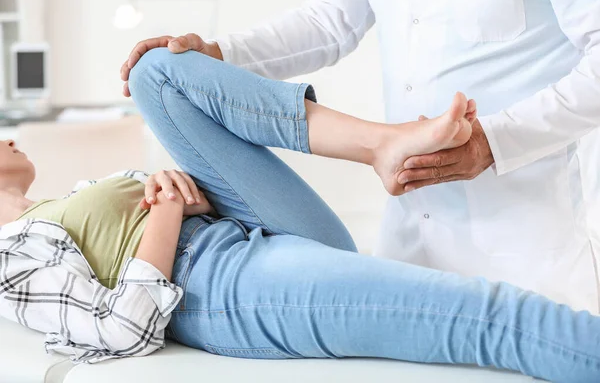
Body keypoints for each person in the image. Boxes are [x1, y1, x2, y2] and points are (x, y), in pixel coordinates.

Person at [1, 48, 599, 382]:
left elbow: (175, 204)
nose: (5, 138)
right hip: (216, 286)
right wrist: (164, 213)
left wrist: (186, 200)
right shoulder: (10, 254)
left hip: (235, 229)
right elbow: (120, 330)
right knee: (481, 315)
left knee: (157, 70)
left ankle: (379, 144)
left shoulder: (56, 200)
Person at [121, 0, 600, 313]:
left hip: (525, 248)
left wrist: (495, 140)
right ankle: (379, 146)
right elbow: (329, 23)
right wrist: (219, 55)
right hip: (408, 237)